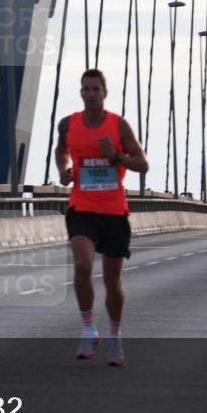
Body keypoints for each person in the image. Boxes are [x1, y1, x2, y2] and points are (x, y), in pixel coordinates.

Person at [55, 69, 149, 366]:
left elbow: (142, 164)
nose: (90, 93)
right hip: (81, 206)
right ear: (80, 92)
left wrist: (117, 157)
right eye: (86, 89)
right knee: (82, 265)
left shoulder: (118, 125)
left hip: (113, 210)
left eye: (96, 89)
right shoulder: (68, 124)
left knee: (112, 278)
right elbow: (61, 150)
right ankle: (88, 328)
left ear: (105, 93)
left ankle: (115, 335)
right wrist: (63, 170)